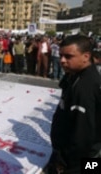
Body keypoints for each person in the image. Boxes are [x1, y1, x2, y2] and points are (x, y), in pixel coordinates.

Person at [44, 35, 101, 174]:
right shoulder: (75, 74)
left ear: (86, 56)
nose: (62, 60)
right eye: (61, 55)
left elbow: (83, 135)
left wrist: (64, 162)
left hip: (78, 160)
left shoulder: (85, 88)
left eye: (69, 56)